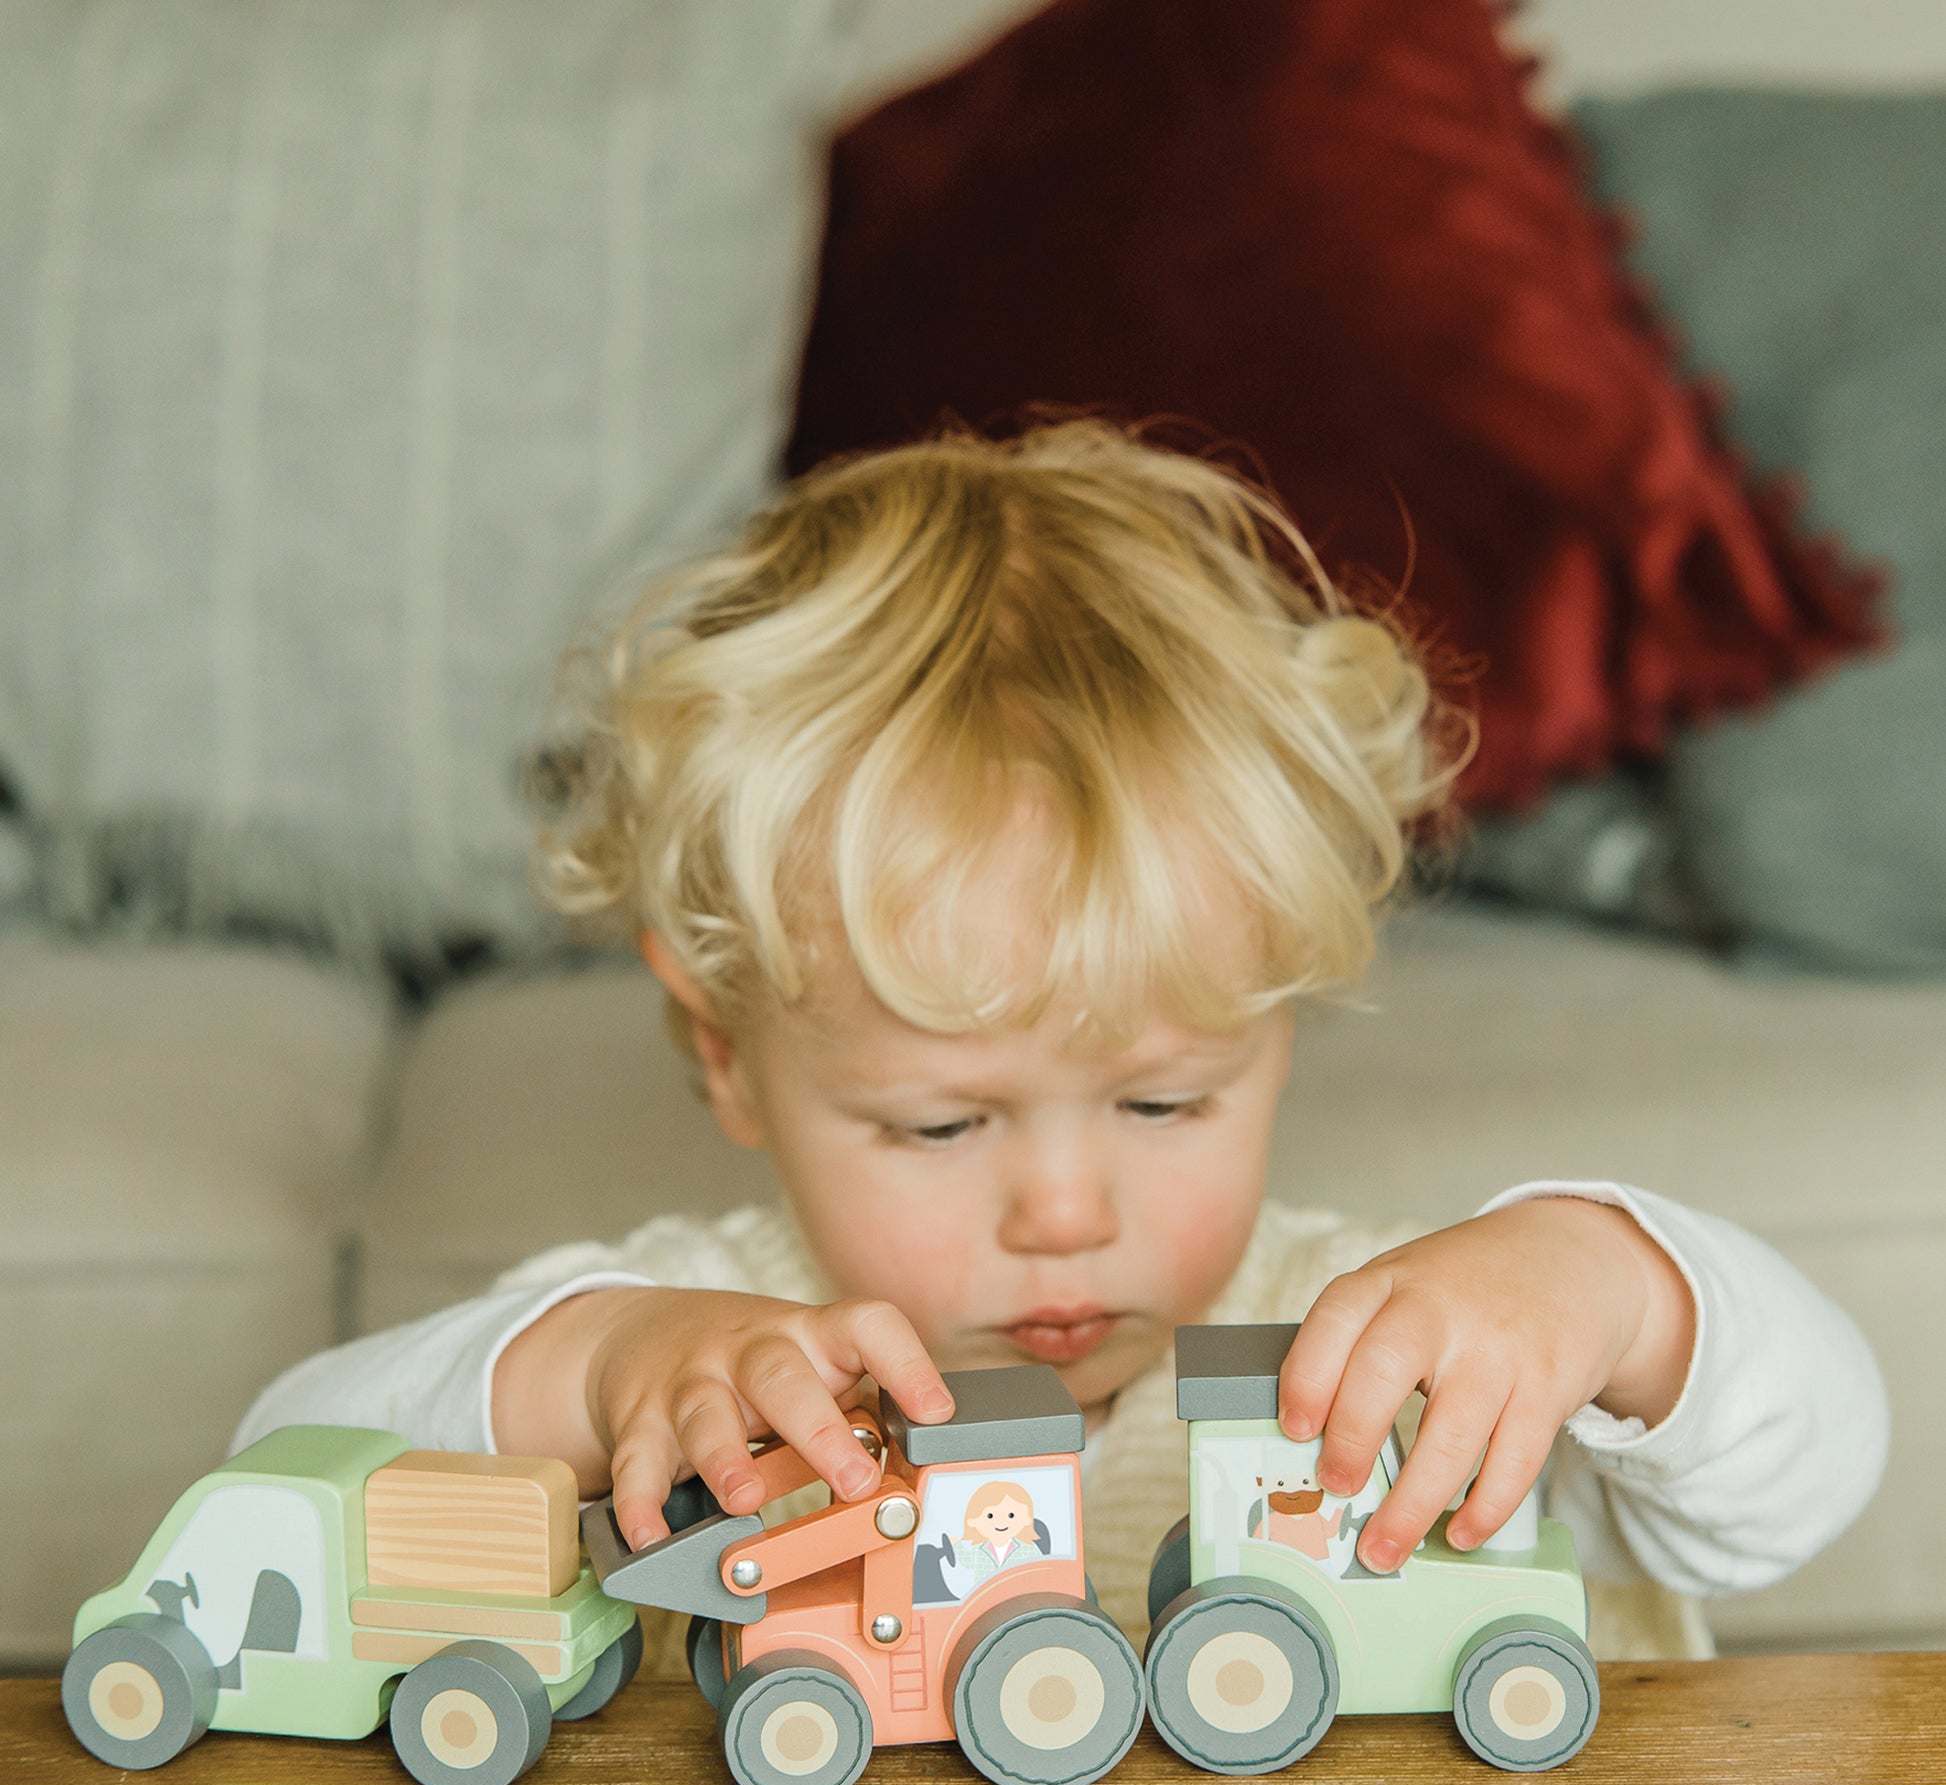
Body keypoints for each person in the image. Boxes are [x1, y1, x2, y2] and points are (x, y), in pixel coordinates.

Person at [235, 421, 1888, 1667]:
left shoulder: (1405, 1357)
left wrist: (1601, 1283)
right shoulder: (695, 1352)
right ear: (724, 1049)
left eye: (1165, 1096)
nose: (1063, 1211)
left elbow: (1798, 1481)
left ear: (1276, 1033)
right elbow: (280, 1468)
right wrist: (592, 1369)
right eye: (943, 1126)